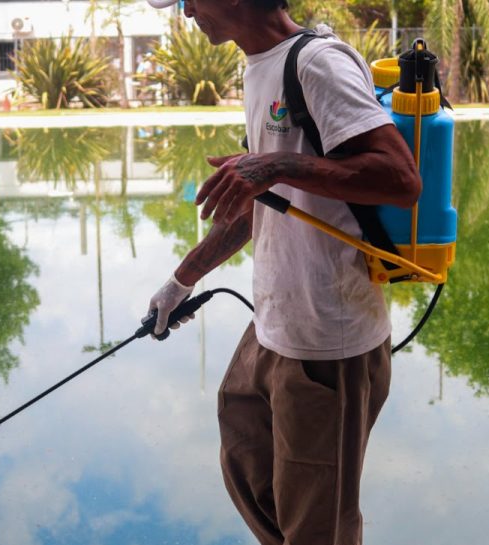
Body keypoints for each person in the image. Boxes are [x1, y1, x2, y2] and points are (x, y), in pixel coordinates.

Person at [140, 0, 421, 544]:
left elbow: (401, 180)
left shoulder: (317, 63)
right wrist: (180, 281)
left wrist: (276, 164)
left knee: (319, 526)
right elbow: (260, 201)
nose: (188, 10)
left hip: (326, 340)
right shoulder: (259, 68)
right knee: (244, 453)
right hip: (275, 324)